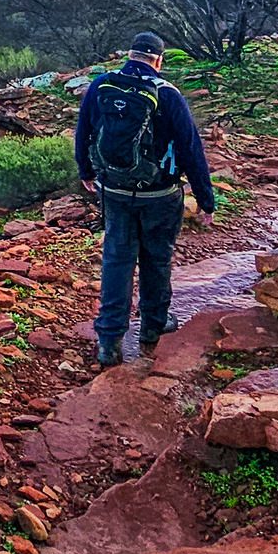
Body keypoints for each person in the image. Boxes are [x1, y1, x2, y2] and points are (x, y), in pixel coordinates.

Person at [73, 30, 215, 367]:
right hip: (161, 195)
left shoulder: (101, 86)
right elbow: (191, 149)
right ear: (158, 60)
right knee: (157, 259)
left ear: (130, 54)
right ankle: (153, 327)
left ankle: (109, 341)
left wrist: (86, 171)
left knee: (116, 261)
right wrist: (205, 199)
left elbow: (84, 130)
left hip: (115, 191)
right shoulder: (168, 94)